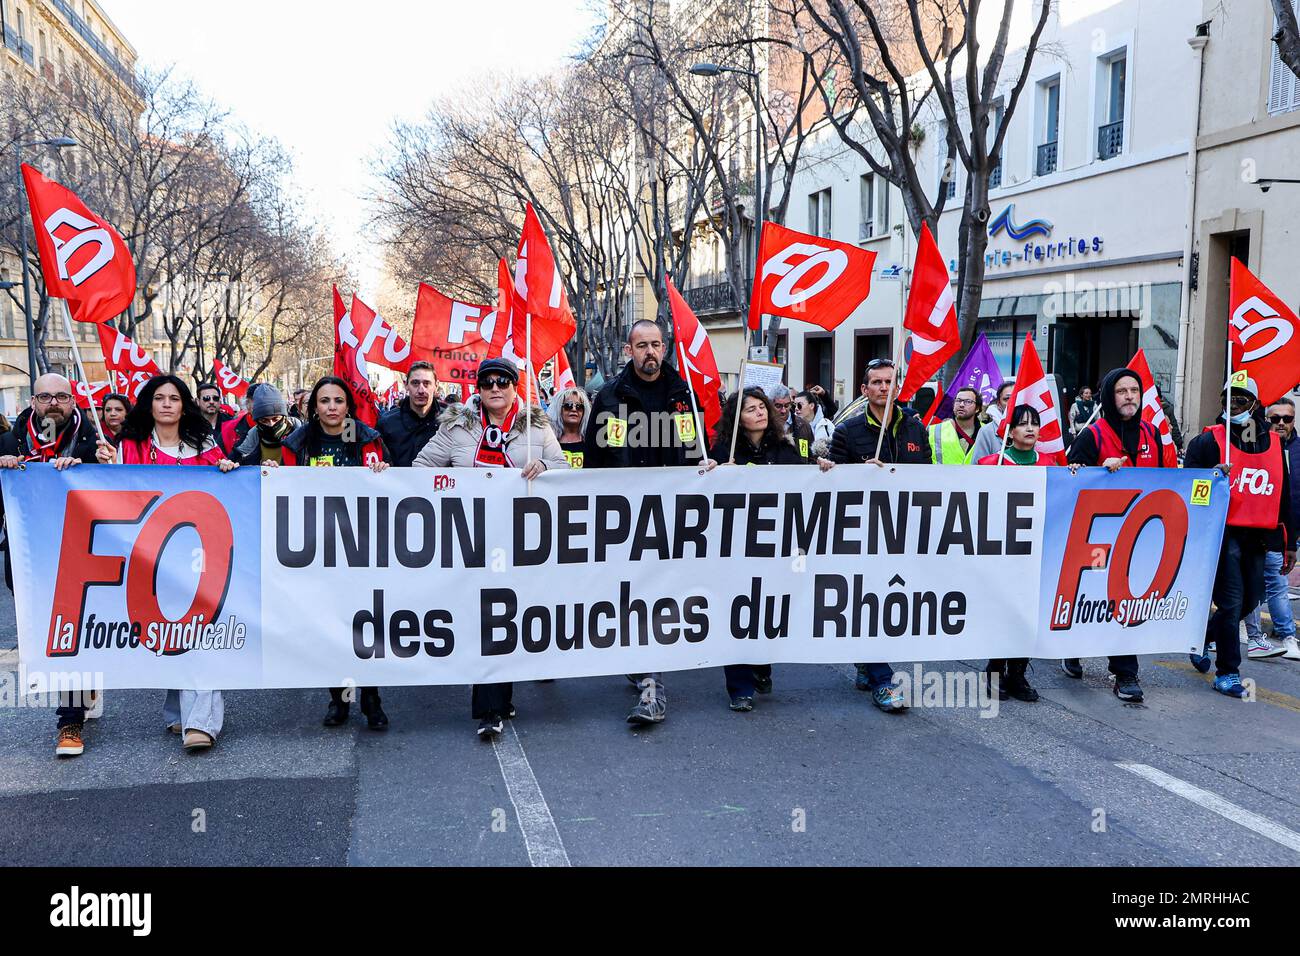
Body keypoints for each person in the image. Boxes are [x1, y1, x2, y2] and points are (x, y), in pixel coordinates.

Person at [414, 358, 565, 738]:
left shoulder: (537, 425)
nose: (495, 388)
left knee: (510, 615)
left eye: (503, 381)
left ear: (515, 386)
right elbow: (420, 468)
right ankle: (489, 710)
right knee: (488, 617)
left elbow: (564, 467)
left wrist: (544, 467)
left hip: (522, 539)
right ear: (478, 388)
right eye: (487, 382)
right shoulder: (456, 426)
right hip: (472, 540)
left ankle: (502, 697)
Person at [95, 375, 239, 752]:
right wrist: (103, 469)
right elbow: (115, 498)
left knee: (203, 631)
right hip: (149, 556)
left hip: (199, 554)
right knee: (171, 630)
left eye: (174, 398)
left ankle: (201, 722)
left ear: (183, 405)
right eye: (159, 398)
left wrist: (226, 469)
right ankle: (178, 710)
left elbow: (227, 489)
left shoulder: (204, 444)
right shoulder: (129, 446)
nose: (166, 404)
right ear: (149, 404)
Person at [585, 320, 708, 725]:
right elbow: (596, 461)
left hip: (673, 517)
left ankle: (652, 686)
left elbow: (693, 449)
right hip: (626, 520)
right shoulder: (610, 398)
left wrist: (702, 466)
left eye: (656, 344)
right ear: (628, 350)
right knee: (633, 595)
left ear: (665, 347)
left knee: (659, 595)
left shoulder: (681, 394)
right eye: (642, 345)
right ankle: (644, 668)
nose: (650, 352)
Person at [819, 359, 930, 712]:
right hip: (861, 535)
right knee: (873, 603)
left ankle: (868, 663)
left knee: (893, 600)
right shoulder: (847, 431)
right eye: (877, 383)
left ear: (897, 388)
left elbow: (929, 476)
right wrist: (851, 473)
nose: (884, 388)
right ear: (865, 390)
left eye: (890, 382)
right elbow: (834, 483)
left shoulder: (915, 427)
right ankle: (884, 679)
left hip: (903, 531)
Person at [281, 377, 392, 729]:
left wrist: (382, 471)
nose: (331, 407)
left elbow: (386, 487)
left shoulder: (367, 439)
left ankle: (372, 698)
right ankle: (339, 699)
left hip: (361, 548)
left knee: (365, 627)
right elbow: (281, 487)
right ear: (314, 406)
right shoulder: (296, 443)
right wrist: (271, 474)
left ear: (348, 406)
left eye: (338, 401)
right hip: (318, 550)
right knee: (330, 627)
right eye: (325, 400)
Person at [0, 373, 101, 757]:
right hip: (28, 557)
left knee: (69, 631)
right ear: (33, 401)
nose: (53, 403)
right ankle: (85, 680)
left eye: (61, 396)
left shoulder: (93, 441)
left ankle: (68, 721)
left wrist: (91, 467)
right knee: (46, 631)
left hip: (82, 555)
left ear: (73, 402)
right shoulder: (10, 441)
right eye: (45, 397)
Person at [1185, 378, 1296, 695]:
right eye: (1227, 400)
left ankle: (1204, 635)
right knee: (1232, 603)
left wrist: (1289, 544)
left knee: (1251, 601)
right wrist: (1212, 476)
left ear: (1255, 405)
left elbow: (1283, 494)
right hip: (1223, 536)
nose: (1232, 407)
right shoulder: (1207, 442)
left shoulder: (1274, 444)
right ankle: (1228, 672)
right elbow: (1190, 492)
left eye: (1241, 401)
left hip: (1258, 537)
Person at [1060, 366, 1164, 701]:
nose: (1130, 396)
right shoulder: (1092, 435)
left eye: (1134, 390)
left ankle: (1125, 673)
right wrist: (1097, 472)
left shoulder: (1152, 433)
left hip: (1139, 539)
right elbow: (1070, 481)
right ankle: (1073, 646)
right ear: (1109, 396)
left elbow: (1167, 480)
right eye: (1122, 391)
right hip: (1098, 537)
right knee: (1091, 599)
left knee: (1125, 601)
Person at [707, 387, 806, 711]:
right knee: (735, 612)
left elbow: (805, 483)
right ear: (737, 418)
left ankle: (761, 665)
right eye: (750, 409)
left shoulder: (784, 450)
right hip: (736, 548)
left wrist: (821, 468)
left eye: (761, 407)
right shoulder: (723, 451)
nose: (760, 413)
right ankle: (739, 688)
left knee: (767, 611)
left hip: (774, 549)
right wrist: (713, 470)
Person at [977, 404, 1057, 703]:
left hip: (1037, 553)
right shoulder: (990, 464)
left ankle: (1018, 674)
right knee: (1004, 611)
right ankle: (995, 671)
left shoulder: (1051, 464)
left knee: (1028, 613)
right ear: (1010, 431)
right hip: (1001, 553)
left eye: (1034, 423)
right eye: (1022, 423)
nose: (1030, 428)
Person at [1241, 396, 1298, 660]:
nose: (1281, 424)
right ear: (1266, 420)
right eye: (1275, 419)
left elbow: (1290, 499)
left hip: (1282, 533)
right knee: (1250, 586)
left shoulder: (1296, 450)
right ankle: (1248, 634)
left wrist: (1291, 542)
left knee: (1276, 584)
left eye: (1287, 419)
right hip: (1252, 531)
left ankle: (1287, 635)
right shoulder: (1253, 445)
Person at [377, 361, 442, 467]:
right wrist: (380, 465)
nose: (421, 390)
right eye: (415, 383)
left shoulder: (448, 423)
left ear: (436, 385)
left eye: (426, 383)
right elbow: (378, 459)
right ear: (406, 385)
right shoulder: (387, 423)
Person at [230, 385, 294, 465]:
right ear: (257, 421)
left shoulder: (298, 430)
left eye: (276, 419)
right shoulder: (254, 433)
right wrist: (228, 464)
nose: (271, 424)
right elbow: (235, 456)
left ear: (284, 417)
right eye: (264, 420)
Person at [929, 386, 982, 464]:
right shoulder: (935, 430)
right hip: (943, 475)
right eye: (958, 400)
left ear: (977, 408)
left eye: (968, 401)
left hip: (977, 476)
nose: (961, 405)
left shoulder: (986, 431)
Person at [548, 385, 591, 467]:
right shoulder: (549, 439)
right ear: (559, 409)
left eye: (579, 406)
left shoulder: (591, 440)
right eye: (568, 405)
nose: (574, 409)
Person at [972, 381, 1016, 460]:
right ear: (999, 404)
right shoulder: (986, 431)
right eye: (1007, 399)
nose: (1012, 402)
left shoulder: (1035, 428)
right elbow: (978, 468)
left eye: (1016, 397)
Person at [794, 389, 834, 458]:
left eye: (799, 405)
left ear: (811, 406)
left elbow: (836, 449)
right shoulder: (792, 425)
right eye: (795, 405)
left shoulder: (827, 425)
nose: (796, 408)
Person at [1156, 384, 1185, 455]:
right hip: (1166, 443)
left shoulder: (1146, 409)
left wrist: (1179, 445)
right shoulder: (1167, 408)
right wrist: (1179, 446)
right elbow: (1174, 427)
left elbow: (1173, 427)